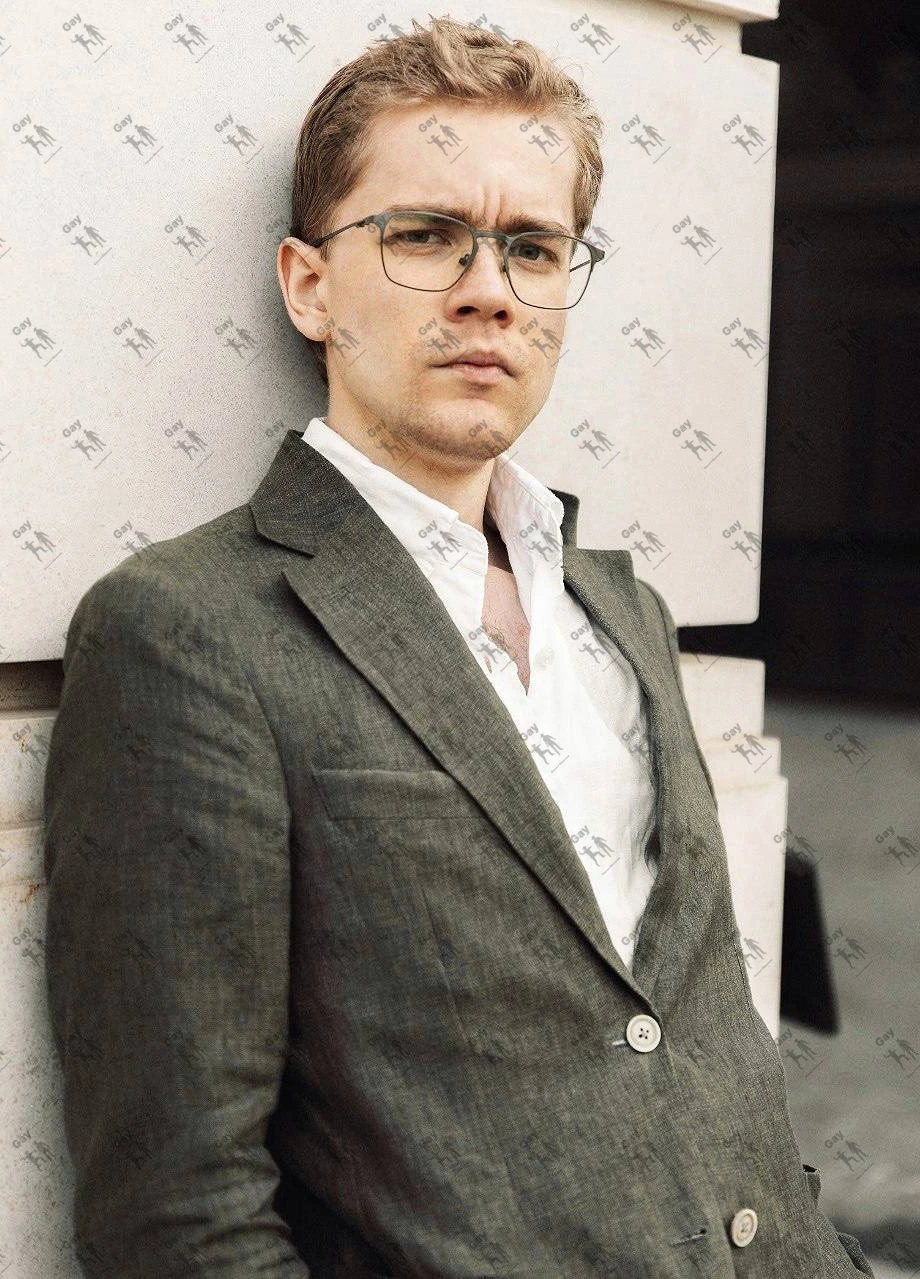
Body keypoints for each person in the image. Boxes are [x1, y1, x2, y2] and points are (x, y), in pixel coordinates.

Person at [42, 16, 874, 1278]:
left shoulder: (625, 608)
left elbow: (691, 1039)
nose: (488, 288)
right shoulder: (187, 632)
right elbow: (177, 1207)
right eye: (424, 235)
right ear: (308, 285)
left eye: (531, 248)